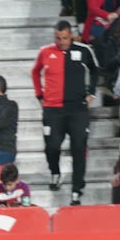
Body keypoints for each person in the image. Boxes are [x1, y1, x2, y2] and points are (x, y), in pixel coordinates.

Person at [31, 20, 97, 205]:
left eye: (65, 38)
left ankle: (77, 190)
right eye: (58, 38)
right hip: (52, 109)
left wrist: (91, 92)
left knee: (78, 149)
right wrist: (39, 94)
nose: (62, 42)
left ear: (72, 36)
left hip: (77, 110)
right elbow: (35, 72)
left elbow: (94, 70)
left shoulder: (83, 50)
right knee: (51, 146)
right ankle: (55, 172)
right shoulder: (45, 52)